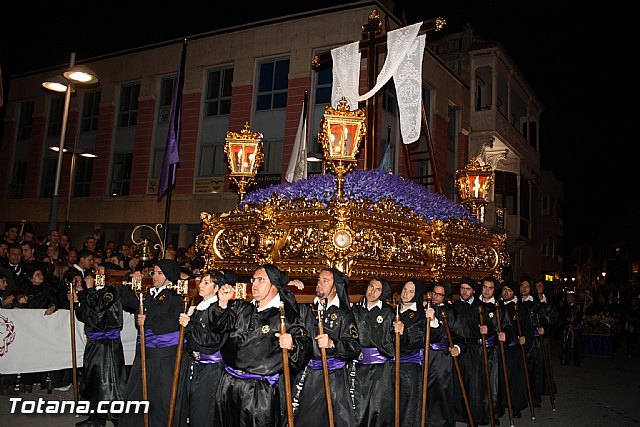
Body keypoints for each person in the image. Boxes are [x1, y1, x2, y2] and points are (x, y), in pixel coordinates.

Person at [211, 264, 312, 427]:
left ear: (274, 285)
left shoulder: (285, 316)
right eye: (253, 279)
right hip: (229, 385)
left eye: (260, 280)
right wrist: (222, 304)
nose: (255, 284)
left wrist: (293, 344)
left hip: (259, 392)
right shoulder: (242, 307)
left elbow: (305, 345)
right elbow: (217, 327)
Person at [119, 259, 185, 427]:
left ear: (169, 276)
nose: (154, 276)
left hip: (163, 355)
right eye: (154, 273)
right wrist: (132, 281)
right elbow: (130, 303)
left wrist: (148, 320)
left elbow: (172, 321)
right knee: (139, 394)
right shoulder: (150, 293)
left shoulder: (176, 295)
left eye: (159, 273)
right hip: (145, 353)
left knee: (160, 398)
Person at [294, 267, 361, 427]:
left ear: (335, 286)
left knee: (338, 420)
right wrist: (288, 285)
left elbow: (354, 346)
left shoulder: (344, 314)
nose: (320, 284)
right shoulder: (308, 310)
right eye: (319, 280)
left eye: (325, 281)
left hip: (335, 378)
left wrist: (333, 344)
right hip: (310, 376)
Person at [176, 269, 233, 426]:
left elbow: (211, 341)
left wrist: (190, 325)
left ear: (216, 288)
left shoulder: (217, 310)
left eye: (206, 283)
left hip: (210, 368)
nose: (200, 285)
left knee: (203, 412)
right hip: (194, 364)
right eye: (201, 281)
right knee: (190, 408)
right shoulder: (199, 307)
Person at [72, 268, 127, 427]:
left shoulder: (112, 290)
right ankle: (96, 418)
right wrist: (77, 300)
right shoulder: (92, 293)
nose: (95, 273)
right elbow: (84, 315)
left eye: (99, 271)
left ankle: (118, 419)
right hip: (94, 343)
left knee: (110, 382)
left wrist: (87, 290)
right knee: (93, 380)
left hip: (108, 344)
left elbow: (99, 306)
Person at [351, 276, 402, 427]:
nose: (372, 292)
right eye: (371, 287)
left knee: (378, 409)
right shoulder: (355, 310)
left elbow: (397, 344)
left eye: (377, 289)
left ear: (382, 292)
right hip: (358, 368)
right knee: (358, 409)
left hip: (380, 371)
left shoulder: (388, 313)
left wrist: (400, 332)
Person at [424, 282, 464, 427]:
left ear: (445, 296)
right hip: (423, 355)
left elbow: (459, 336)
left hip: (441, 358)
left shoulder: (451, 312)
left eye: (439, 294)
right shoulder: (424, 307)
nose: (435, 296)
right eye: (433, 292)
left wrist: (458, 347)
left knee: (441, 392)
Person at [396, 278, 426, 426]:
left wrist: (404, 333)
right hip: (391, 365)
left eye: (411, 291)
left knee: (408, 405)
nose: (406, 294)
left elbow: (417, 338)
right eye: (405, 289)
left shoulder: (420, 314)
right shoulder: (393, 310)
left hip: (408, 367)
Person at [500, 281, 530, 419]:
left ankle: (515, 406)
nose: (506, 293)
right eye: (504, 289)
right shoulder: (498, 306)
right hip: (500, 348)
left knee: (515, 379)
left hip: (514, 348)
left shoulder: (520, 308)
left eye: (509, 290)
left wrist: (525, 338)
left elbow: (526, 327)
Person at [559, 291, 583, 367]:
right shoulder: (566, 307)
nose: (568, 299)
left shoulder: (578, 307)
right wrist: (567, 319)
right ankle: (566, 359)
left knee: (577, 344)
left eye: (569, 297)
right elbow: (563, 316)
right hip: (567, 327)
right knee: (566, 344)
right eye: (567, 297)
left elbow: (579, 317)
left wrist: (573, 323)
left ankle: (577, 360)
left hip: (576, 328)